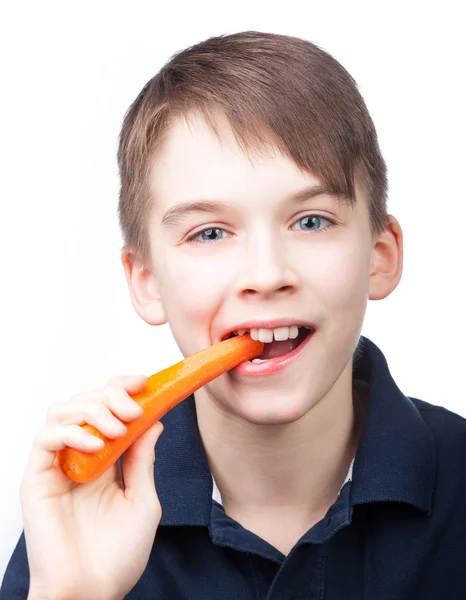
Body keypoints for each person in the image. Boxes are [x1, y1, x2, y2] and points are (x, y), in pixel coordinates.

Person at [2, 30, 466, 600]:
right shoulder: (84, 522)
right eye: (211, 232)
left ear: (380, 255)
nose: (266, 274)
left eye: (312, 221)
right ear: (145, 283)